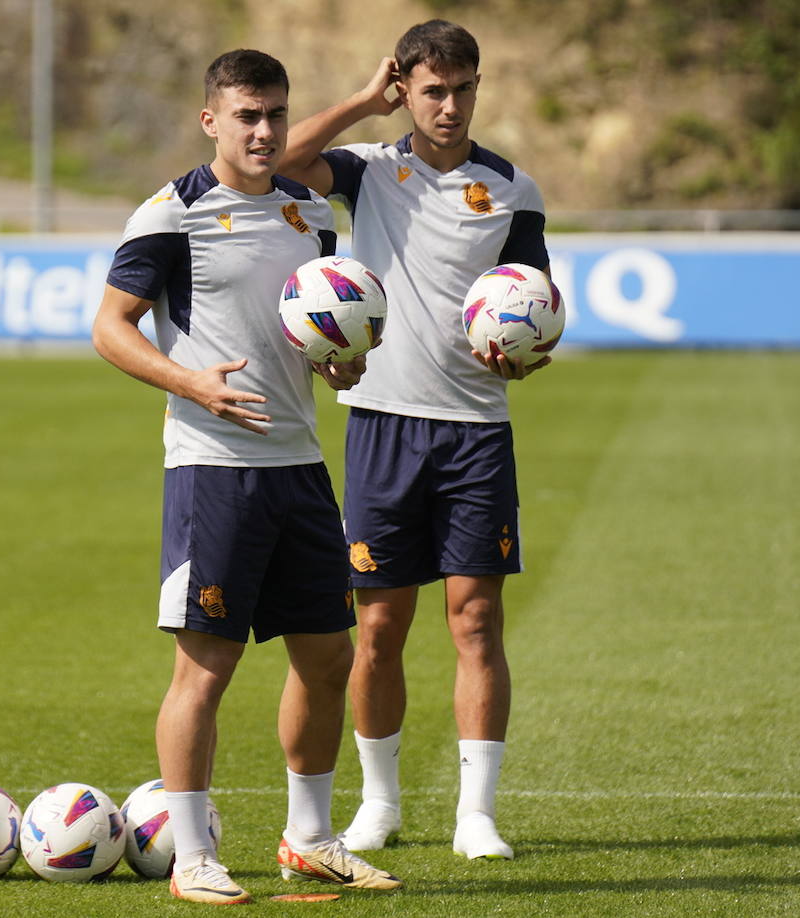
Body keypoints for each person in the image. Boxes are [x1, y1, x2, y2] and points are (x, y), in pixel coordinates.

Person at [91, 49, 402, 905]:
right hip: (214, 470)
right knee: (207, 668)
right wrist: (190, 382)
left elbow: (311, 337)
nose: (263, 131)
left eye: (273, 115)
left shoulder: (310, 212)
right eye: (246, 116)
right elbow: (110, 329)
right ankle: (192, 856)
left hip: (300, 466)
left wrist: (339, 364)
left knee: (328, 658)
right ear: (211, 121)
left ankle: (311, 838)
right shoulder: (169, 215)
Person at [279, 19, 553, 861]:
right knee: (379, 629)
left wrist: (528, 354)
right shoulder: (369, 172)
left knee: (475, 622)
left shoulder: (512, 189)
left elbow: (537, 299)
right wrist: (363, 103)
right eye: (433, 90)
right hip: (383, 428)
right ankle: (381, 804)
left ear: (478, 87)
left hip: (477, 432)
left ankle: (476, 815)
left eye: (463, 89)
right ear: (408, 88)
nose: (449, 105)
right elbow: (278, 163)